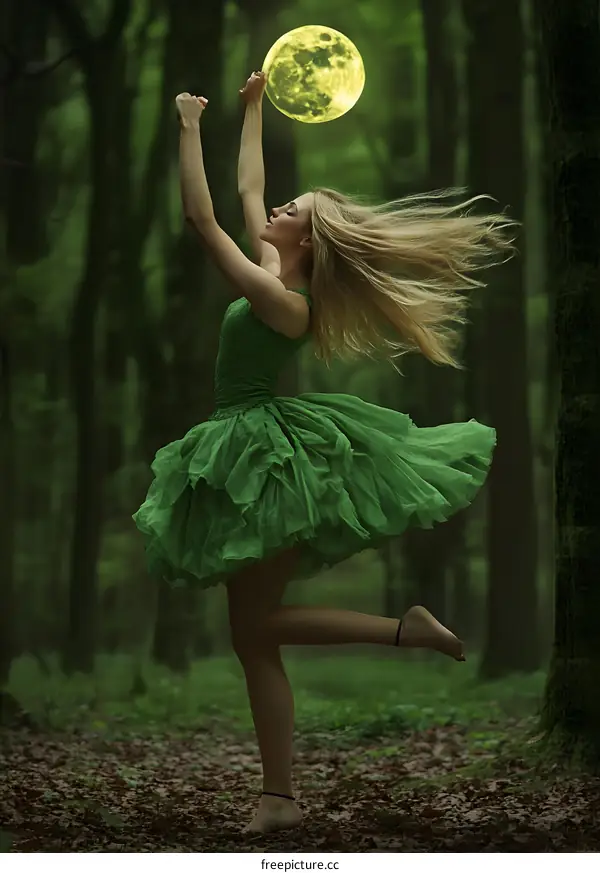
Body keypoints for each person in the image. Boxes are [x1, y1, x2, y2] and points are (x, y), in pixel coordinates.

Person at [133, 71, 514, 834]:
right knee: (253, 636)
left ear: (305, 240)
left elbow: (202, 220)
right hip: (250, 447)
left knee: (255, 630)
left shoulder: (283, 300)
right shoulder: (274, 270)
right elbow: (247, 191)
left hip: (262, 459)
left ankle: (399, 634)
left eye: (293, 212)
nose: (277, 210)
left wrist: (186, 127)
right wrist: (250, 110)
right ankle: (279, 796)